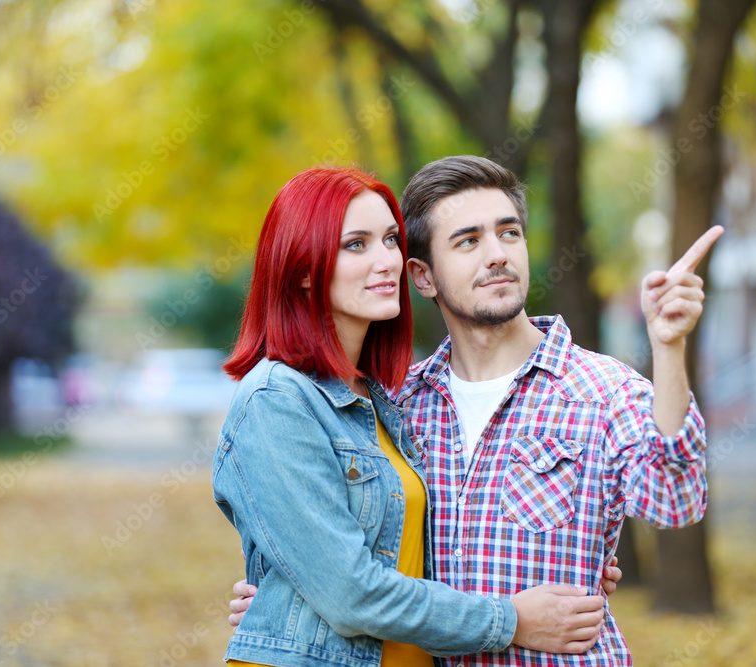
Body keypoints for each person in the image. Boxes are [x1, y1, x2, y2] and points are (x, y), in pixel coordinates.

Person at [229, 156, 720, 666]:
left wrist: (667, 348)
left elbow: (674, 500)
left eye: (509, 234)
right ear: (422, 276)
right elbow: (353, 560)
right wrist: (287, 602)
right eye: (468, 241)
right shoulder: (398, 406)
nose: (497, 255)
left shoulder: (604, 391)